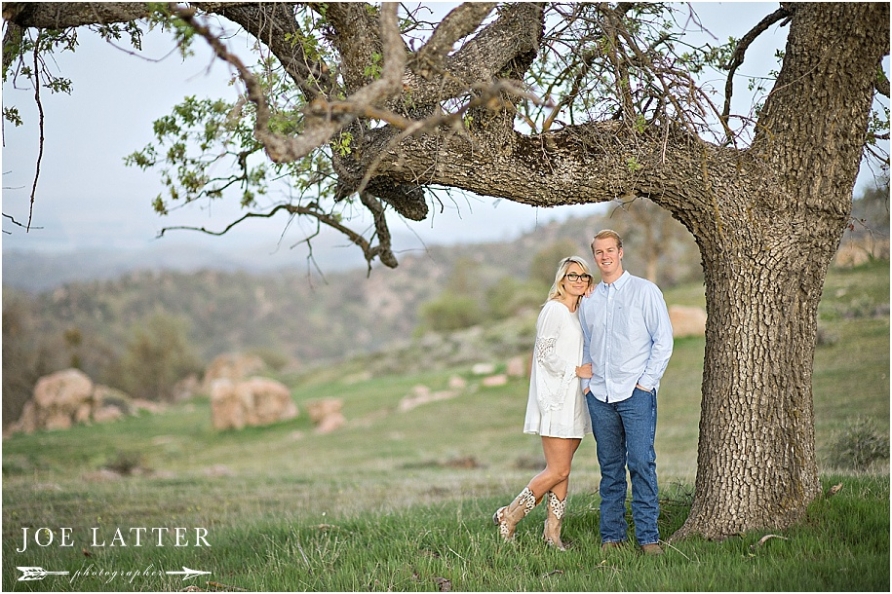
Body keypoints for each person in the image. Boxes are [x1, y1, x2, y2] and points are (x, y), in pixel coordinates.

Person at [578, 229, 673, 556]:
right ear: (595, 257)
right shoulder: (589, 299)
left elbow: (663, 341)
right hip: (600, 396)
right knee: (610, 469)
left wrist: (646, 383)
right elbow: (587, 345)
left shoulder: (645, 292)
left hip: (636, 394)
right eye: (598, 252)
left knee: (642, 464)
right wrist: (587, 386)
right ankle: (612, 538)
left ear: (621, 253)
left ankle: (648, 538)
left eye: (610, 250)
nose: (604, 256)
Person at [493, 256, 594, 550]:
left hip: (578, 398)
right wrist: (575, 370)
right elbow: (544, 354)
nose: (578, 280)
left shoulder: (580, 312)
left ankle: (552, 535)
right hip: (556, 397)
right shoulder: (554, 310)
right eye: (572, 275)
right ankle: (508, 516)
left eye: (584, 276)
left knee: (562, 469)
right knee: (557, 470)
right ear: (561, 279)